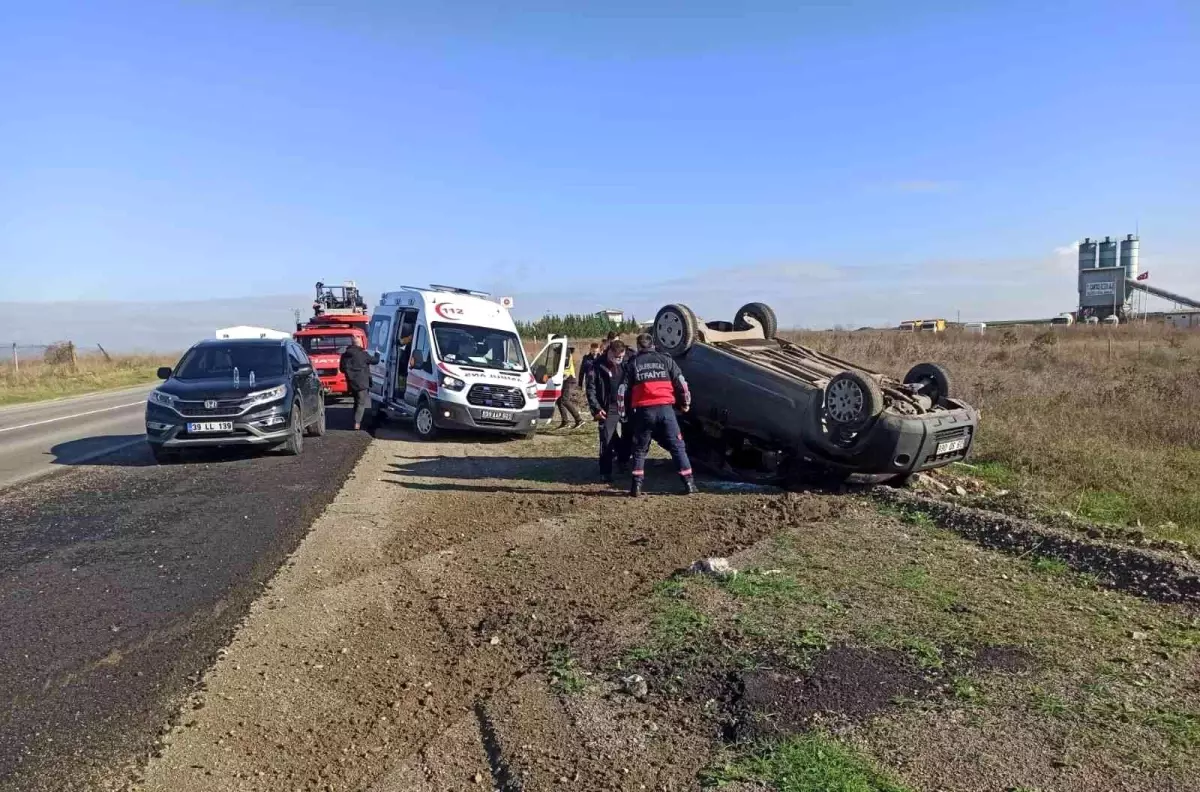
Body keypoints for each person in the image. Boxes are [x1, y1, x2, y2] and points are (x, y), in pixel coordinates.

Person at [619, 333, 696, 496]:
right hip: (665, 409)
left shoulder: (632, 363)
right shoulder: (666, 360)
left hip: (643, 411)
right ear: (653, 345)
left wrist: (623, 414)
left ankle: (636, 486)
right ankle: (689, 483)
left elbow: (621, 392)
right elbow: (682, 383)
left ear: (639, 346)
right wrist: (685, 403)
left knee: (640, 449)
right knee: (677, 446)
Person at [586, 340, 633, 480]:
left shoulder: (627, 362)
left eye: (621, 356)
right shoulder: (596, 366)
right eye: (616, 356)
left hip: (626, 404)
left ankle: (623, 460)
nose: (618, 359)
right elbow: (591, 389)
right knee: (606, 438)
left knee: (629, 436)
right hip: (608, 407)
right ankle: (605, 472)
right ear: (609, 352)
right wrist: (596, 409)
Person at [339, 336, 379, 431]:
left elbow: (341, 369)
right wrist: (377, 353)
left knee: (356, 401)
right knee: (361, 403)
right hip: (362, 383)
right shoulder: (363, 354)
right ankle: (357, 423)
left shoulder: (344, 355)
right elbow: (375, 361)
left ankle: (355, 420)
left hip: (351, 383)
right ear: (359, 343)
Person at [555, 346, 584, 429]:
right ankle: (565, 422)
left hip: (568, 378)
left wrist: (563, 375)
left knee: (564, 400)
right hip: (564, 379)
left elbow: (566, 367)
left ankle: (579, 420)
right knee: (560, 401)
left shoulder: (566, 352)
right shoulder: (561, 353)